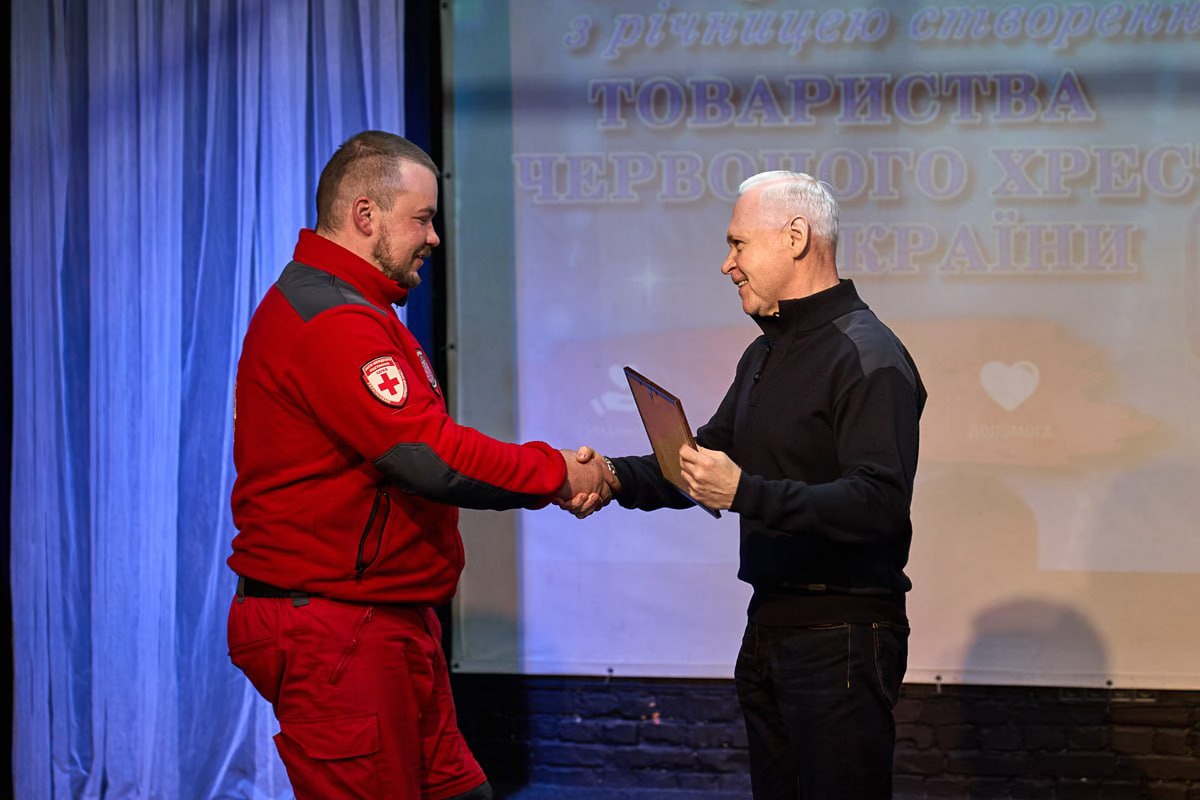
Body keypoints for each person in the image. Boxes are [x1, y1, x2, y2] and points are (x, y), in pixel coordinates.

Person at [227, 130, 605, 800]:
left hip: (382, 617)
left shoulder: (353, 310)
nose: (434, 238)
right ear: (365, 215)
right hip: (337, 628)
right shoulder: (332, 320)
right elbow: (428, 456)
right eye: (423, 219)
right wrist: (556, 473)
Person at [571, 171, 927, 799]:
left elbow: (879, 503)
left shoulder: (868, 355)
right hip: (770, 627)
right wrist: (612, 476)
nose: (726, 264)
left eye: (738, 244)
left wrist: (744, 493)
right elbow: (701, 459)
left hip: (842, 638)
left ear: (796, 237)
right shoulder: (764, 353)